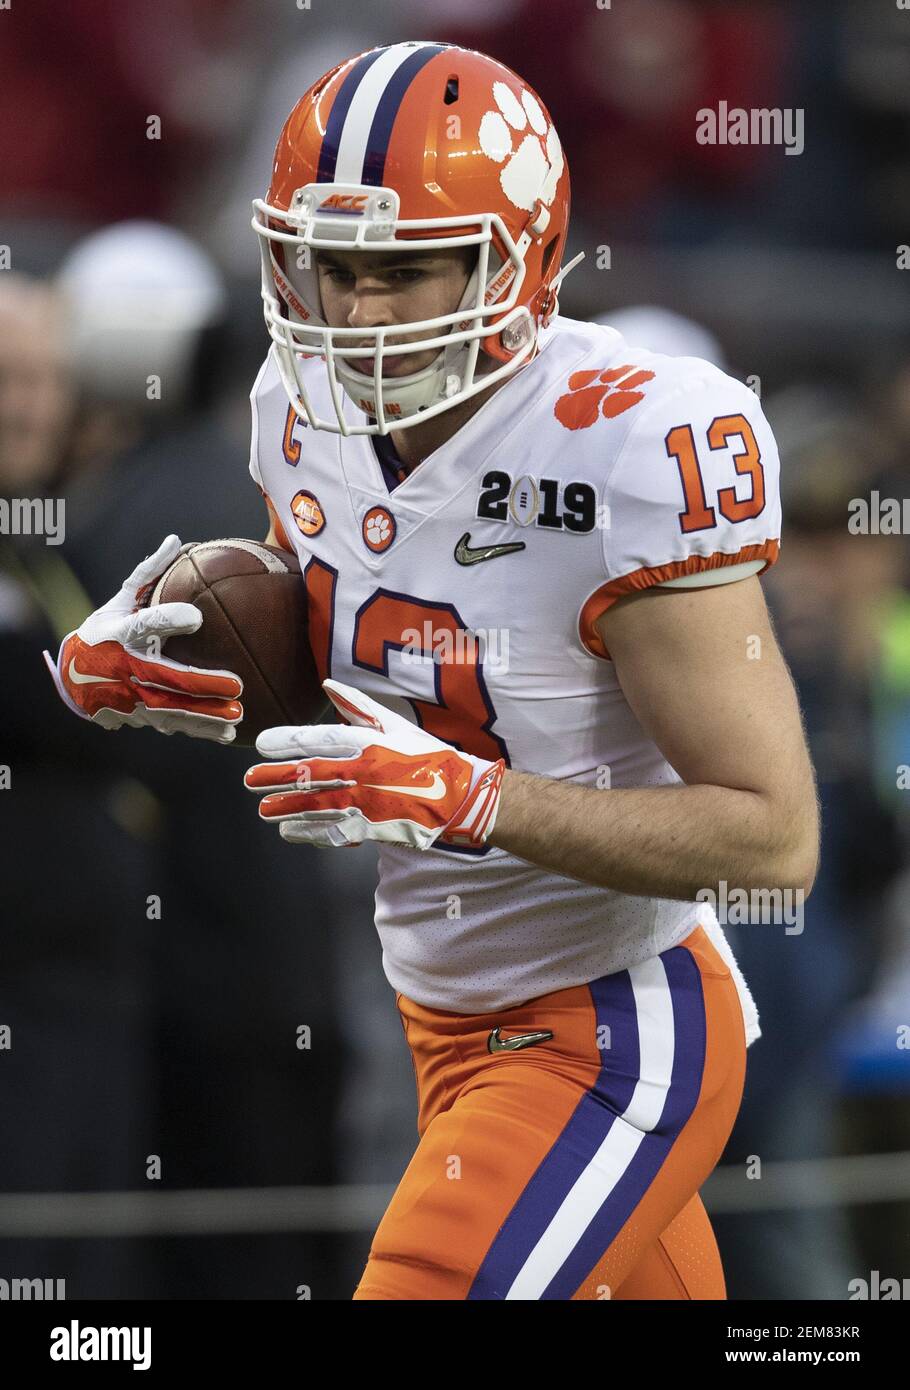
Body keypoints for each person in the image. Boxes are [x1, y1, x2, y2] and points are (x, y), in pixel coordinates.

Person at [46, 42, 819, 1300]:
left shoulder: (631, 440)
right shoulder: (294, 406)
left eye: (402, 272)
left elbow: (772, 837)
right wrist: (148, 644)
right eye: (328, 266)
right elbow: (340, 626)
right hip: (437, 1013)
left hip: (613, 1024)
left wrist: (470, 799)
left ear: (516, 260)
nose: (351, 310)